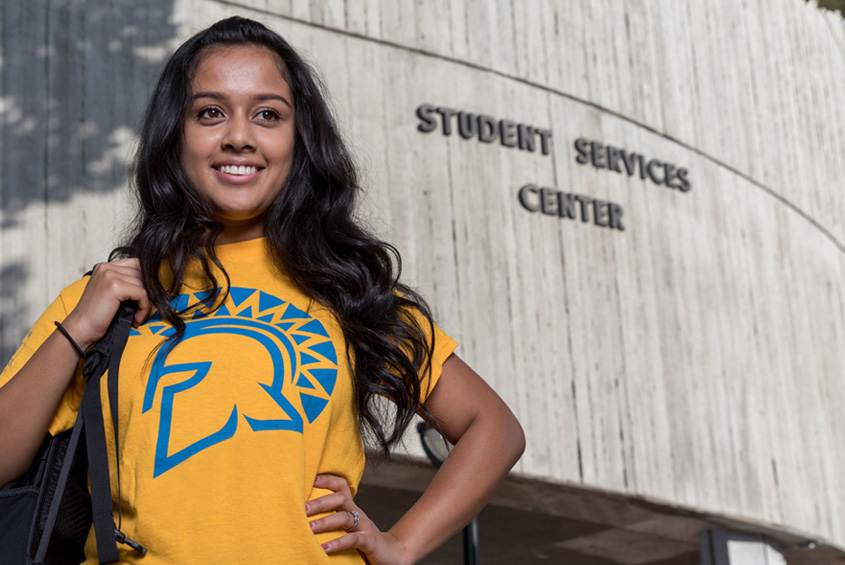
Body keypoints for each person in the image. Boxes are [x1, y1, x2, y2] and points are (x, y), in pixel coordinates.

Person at [0, 16, 524, 564]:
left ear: (299, 140)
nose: (240, 136)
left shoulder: (346, 290)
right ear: (175, 135)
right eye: (210, 112)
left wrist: (402, 543)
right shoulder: (108, 297)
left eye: (268, 114)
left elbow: (494, 428)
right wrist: (78, 329)